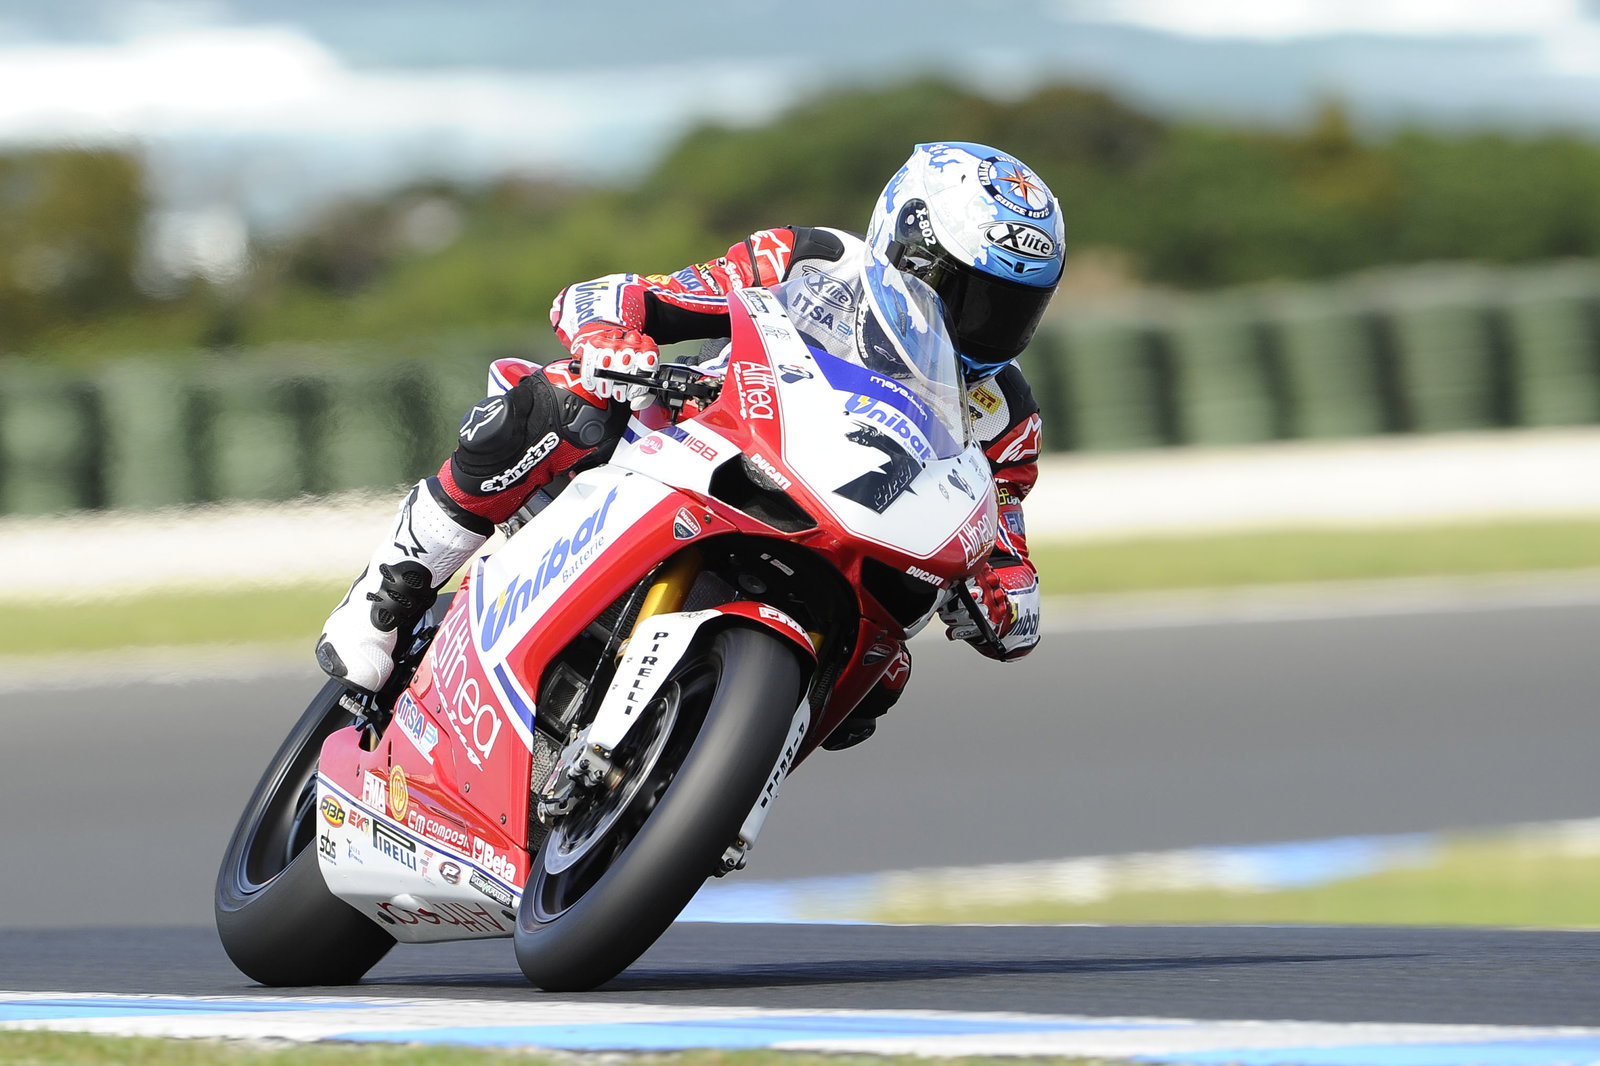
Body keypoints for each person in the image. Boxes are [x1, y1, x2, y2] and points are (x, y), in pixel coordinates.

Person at [316, 141, 1064, 750]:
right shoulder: (812, 261)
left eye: (1011, 308)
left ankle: (707, 774)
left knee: (885, 671)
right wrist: (612, 336)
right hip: (696, 443)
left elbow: (1000, 527)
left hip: (845, 536)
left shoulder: (1006, 412)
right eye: (964, 292)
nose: (983, 324)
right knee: (561, 399)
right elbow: (632, 297)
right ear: (905, 238)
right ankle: (393, 584)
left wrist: (1007, 593)